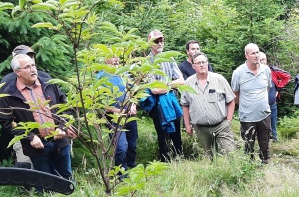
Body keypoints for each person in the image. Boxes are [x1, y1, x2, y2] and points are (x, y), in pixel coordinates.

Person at [0, 53, 77, 181]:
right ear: (17, 72)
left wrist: (62, 127)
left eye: (33, 65)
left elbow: (66, 108)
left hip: (60, 141)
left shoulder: (50, 84)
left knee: (65, 178)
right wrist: (30, 136)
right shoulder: (9, 94)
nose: (33, 69)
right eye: (27, 67)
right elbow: (7, 122)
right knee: (45, 181)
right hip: (37, 145)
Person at [1, 45, 49, 170]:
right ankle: (27, 189)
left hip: (50, 133)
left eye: (31, 56)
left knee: (53, 167)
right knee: (25, 165)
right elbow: (6, 116)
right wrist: (27, 134)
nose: (29, 60)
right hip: (23, 133)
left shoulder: (45, 77)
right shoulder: (6, 82)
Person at [181, 52, 236, 158]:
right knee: (208, 157)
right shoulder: (188, 83)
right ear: (193, 66)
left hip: (221, 125)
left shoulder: (219, 79)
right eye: (198, 63)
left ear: (207, 63)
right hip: (201, 128)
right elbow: (185, 104)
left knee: (231, 154)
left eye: (204, 62)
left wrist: (229, 121)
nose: (202, 65)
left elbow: (231, 100)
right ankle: (215, 172)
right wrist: (187, 125)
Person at [142, 30, 184, 162]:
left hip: (171, 101)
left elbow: (181, 80)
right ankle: (165, 159)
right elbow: (154, 90)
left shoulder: (169, 58)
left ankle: (179, 157)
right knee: (161, 132)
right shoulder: (146, 62)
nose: (160, 43)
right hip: (156, 104)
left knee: (176, 129)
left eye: (162, 40)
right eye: (156, 41)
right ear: (150, 43)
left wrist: (165, 85)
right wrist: (171, 84)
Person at [231, 43, 273, 162]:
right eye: (253, 53)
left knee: (265, 142)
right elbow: (235, 94)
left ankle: (265, 162)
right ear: (246, 56)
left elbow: (267, 88)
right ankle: (249, 165)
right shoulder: (238, 73)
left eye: (257, 52)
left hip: (264, 114)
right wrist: (246, 105)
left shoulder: (266, 70)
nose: (256, 55)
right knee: (248, 143)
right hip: (247, 116)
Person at [98, 55, 137, 172]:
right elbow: (98, 102)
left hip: (130, 115)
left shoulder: (124, 74)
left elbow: (134, 91)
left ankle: (131, 165)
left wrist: (133, 105)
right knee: (121, 146)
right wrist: (117, 111)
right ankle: (121, 173)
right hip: (113, 118)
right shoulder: (100, 77)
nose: (116, 59)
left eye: (118, 57)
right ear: (105, 59)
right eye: (112, 57)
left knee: (132, 143)